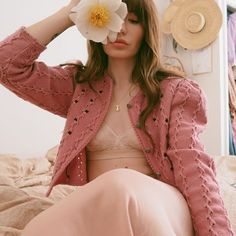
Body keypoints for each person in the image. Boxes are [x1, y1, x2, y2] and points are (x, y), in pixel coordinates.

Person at [0, 0, 234, 235]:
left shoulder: (176, 92)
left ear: (147, 30)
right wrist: (67, 16)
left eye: (133, 20)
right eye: (112, 18)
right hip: (101, 202)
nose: (120, 29)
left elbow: (193, 167)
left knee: (120, 183)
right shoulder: (77, 87)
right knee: (38, 228)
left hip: (161, 204)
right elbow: (6, 64)